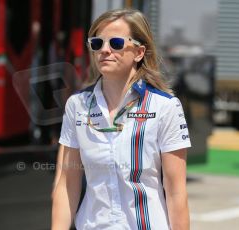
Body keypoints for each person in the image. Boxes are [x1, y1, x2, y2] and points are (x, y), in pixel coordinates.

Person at [52, 8, 191, 230]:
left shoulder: (165, 107)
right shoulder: (76, 105)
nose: (104, 50)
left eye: (116, 43)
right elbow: (68, 184)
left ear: (138, 52)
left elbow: (176, 192)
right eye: (97, 43)